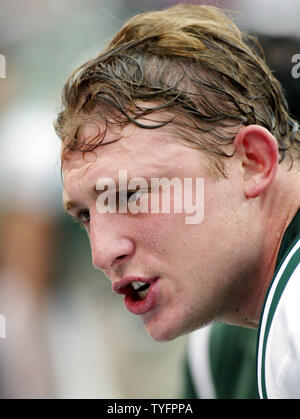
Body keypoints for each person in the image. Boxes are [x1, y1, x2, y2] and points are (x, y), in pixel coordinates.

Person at [54, 4, 300, 398]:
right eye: (84, 215)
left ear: (253, 162)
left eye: (129, 195)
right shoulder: (214, 343)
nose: (101, 254)